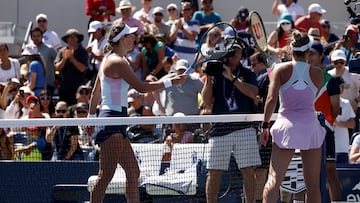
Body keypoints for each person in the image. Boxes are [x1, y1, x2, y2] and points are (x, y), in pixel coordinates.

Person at [88, 22, 185, 203]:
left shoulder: (109, 59)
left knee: (133, 171)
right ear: (122, 39)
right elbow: (140, 87)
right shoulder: (117, 61)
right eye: (130, 35)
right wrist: (171, 82)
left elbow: (95, 93)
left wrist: (91, 119)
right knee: (105, 175)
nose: (134, 38)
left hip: (114, 120)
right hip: (112, 121)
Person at [260, 31, 325, 203]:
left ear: (291, 49)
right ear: (308, 51)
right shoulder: (319, 73)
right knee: (313, 185)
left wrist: (265, 126)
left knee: (273, 180)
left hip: (286, 127)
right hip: (310, 128)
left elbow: (271, 99)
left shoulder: (279, 69)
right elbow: (305, 92)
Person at [202, 38, 261, 203]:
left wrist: (232, 78)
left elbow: (253, 94)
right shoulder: (216, 72)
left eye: (237, 51)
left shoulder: (247, 72)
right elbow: (207, 102)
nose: (234, 54)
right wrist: (208, 77)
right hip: (220, 128)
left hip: (244, 126)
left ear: (241, 53)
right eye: (231, 51)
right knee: (213, 171)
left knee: (248, 170)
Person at [309, 42, 342, 202]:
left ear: (322, 56)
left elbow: (335, 109)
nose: (309, 57)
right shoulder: (301, 78)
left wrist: (327, 124)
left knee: (330, 171)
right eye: (307, 53)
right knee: (305, 173)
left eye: (313, 54)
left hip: (325, 131)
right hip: (305, 130)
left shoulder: (330, 80)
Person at [54, 29, 88, 106]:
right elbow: (57, 68)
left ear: (77, 39)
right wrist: (65, 59)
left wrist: (72, 59)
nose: (72, 39)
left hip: (78, 88)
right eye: (70, 37)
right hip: (64, 87)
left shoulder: (82, 52)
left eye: (74, 37)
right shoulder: (62, 51)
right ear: (67, 39)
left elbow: (82, 68)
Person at [29, 27, 58, 95]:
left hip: (48, 84)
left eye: (38, 36)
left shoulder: (49, 49)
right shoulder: (28, 50)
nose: (36, 38)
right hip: (32, 86)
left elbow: (57, 62)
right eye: (34, 36)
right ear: (31, 37)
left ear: (42, 36)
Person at [334, 76, 355, 164]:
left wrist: (337, 122)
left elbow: (352, 124)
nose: (342, 89)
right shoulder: (324, 103)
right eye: (340, 86)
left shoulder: (345, 103)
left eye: (343, 86)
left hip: (342, 148)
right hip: (326, 149)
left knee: (342, 177)